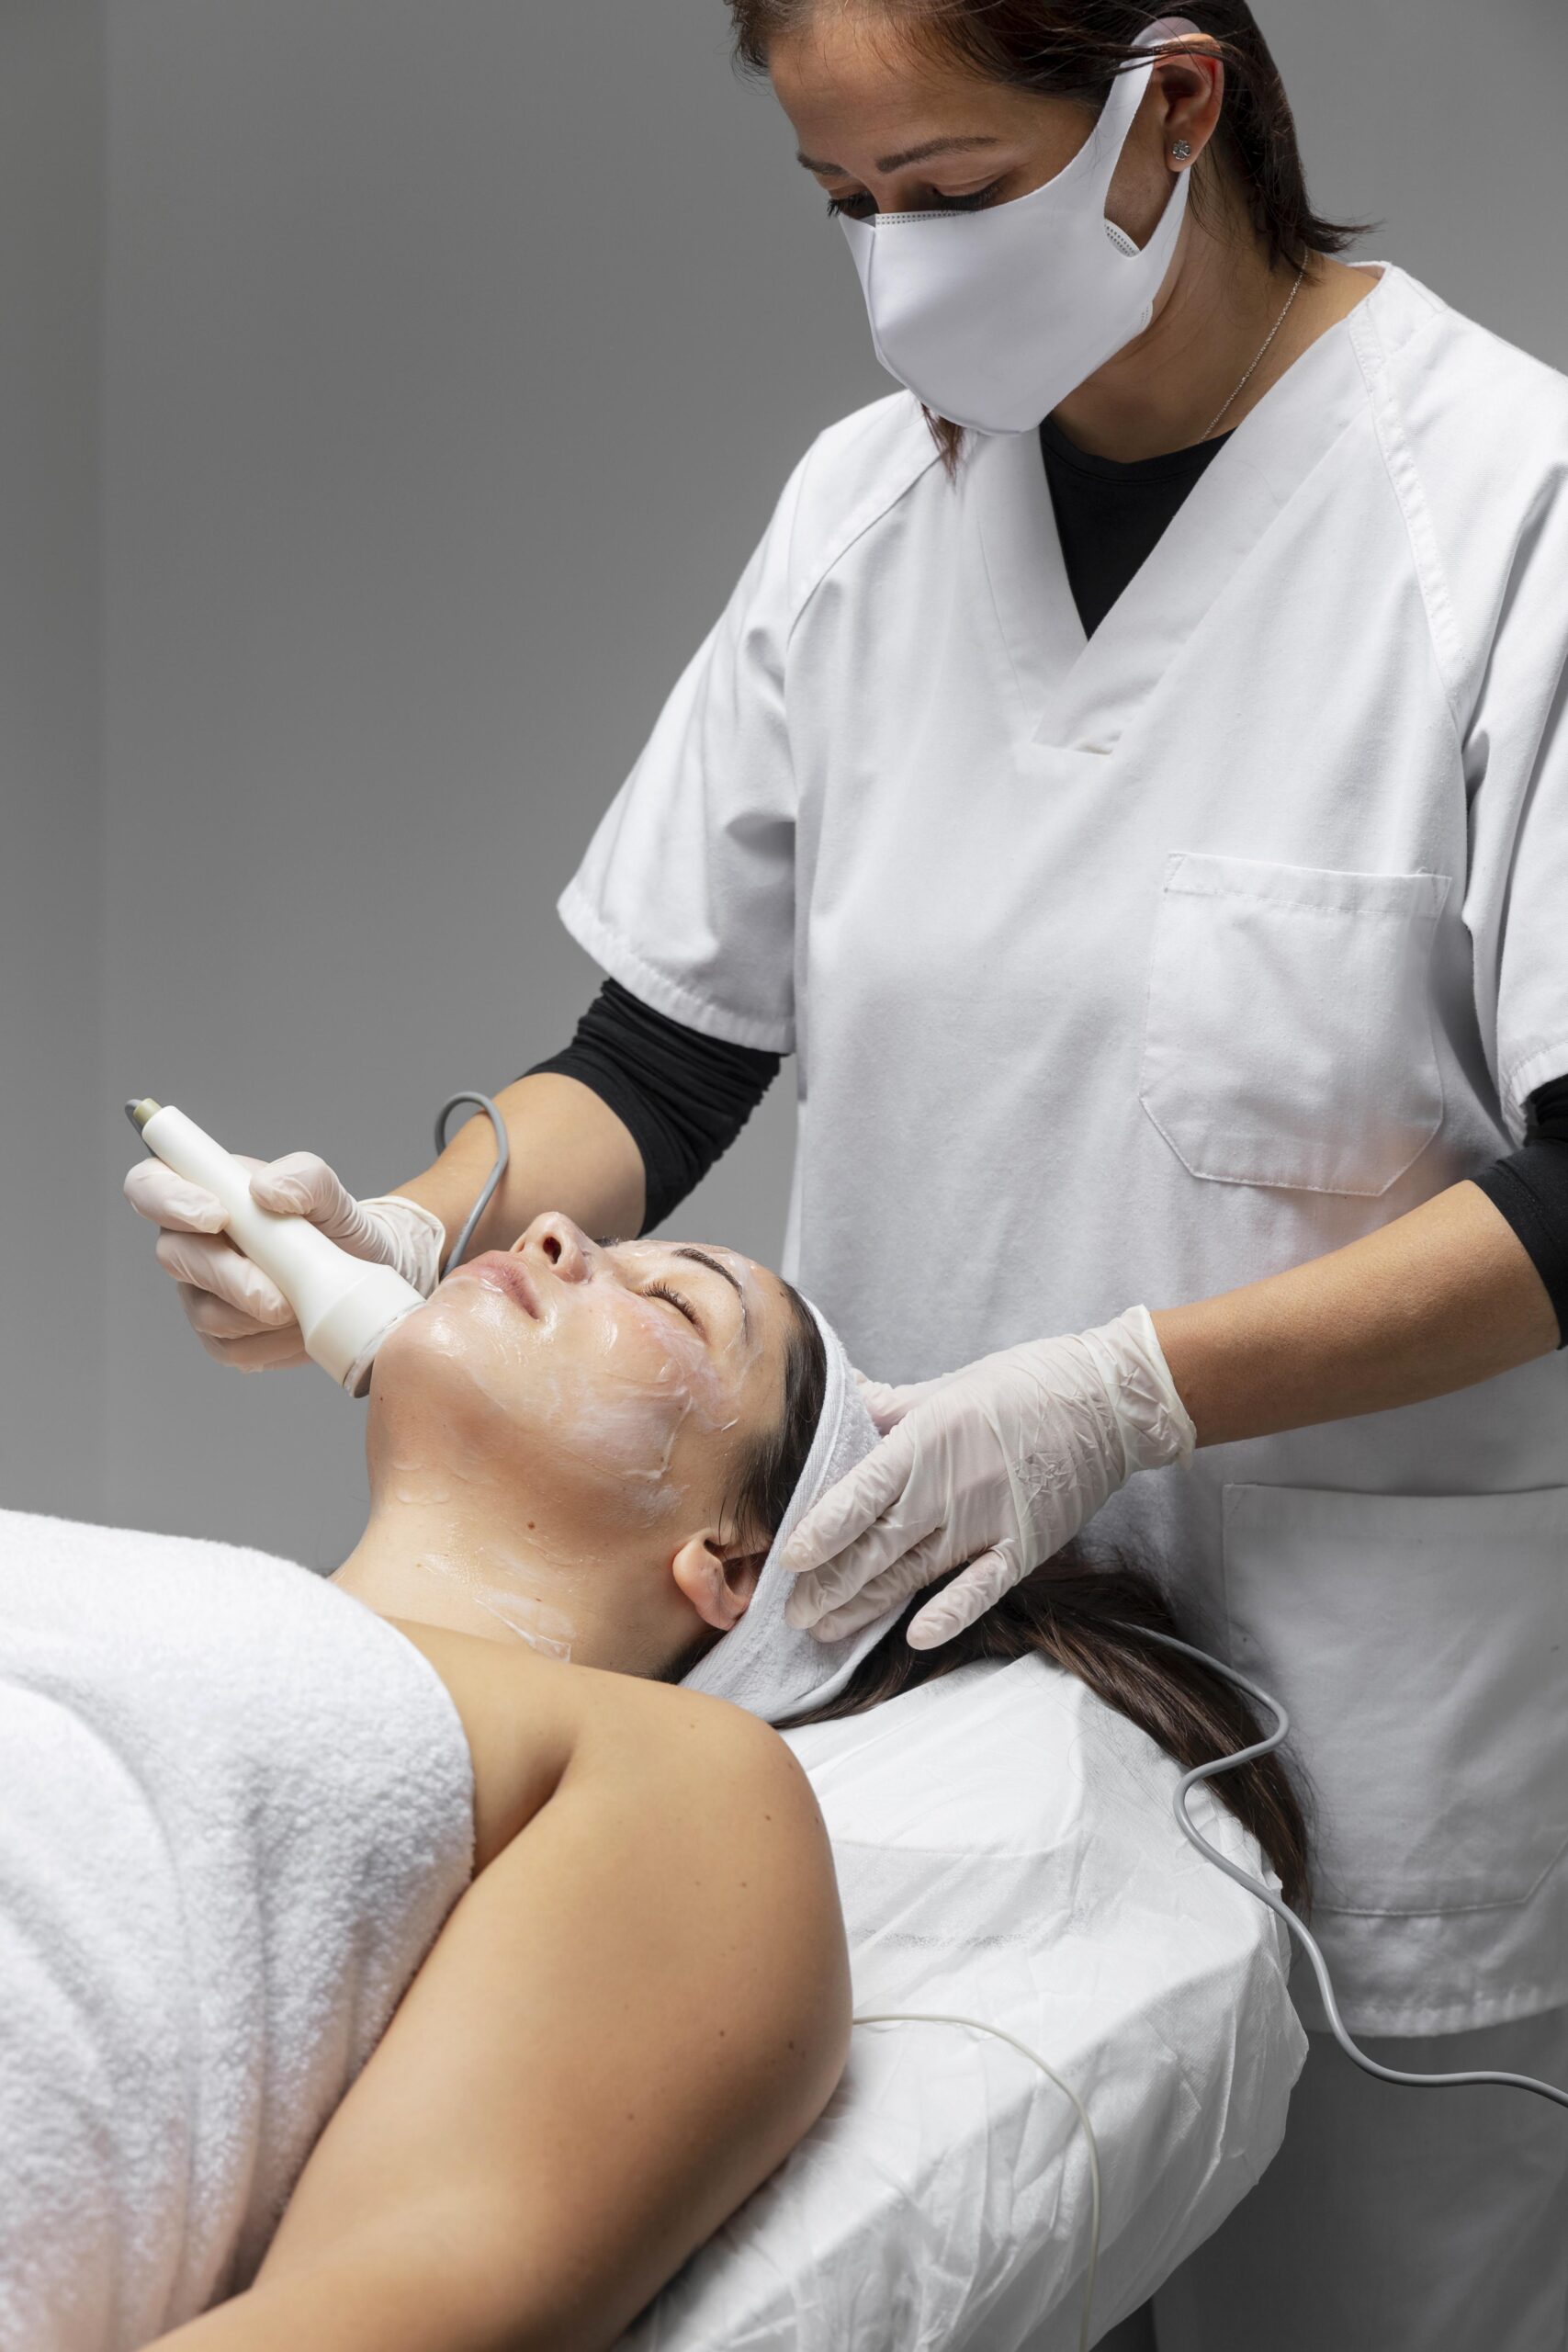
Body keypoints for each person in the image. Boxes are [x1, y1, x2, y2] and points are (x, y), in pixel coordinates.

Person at [129, 4, 1568, 2343]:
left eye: (953, 187)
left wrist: (1123, 1387)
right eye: (846, 206)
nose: (899, 269)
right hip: (908, 1697)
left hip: (1372, 1765)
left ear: (1166, 108)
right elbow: (656, 1053)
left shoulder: (1505, 517)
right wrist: (405, 1226)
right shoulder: (867, 515)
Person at [17, 1209, 1301, 2351]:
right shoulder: (120, 1577)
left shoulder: (682, 1781)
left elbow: (393, 2300)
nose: (559, 1230)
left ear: (733, 1563)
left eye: (678, 1303)